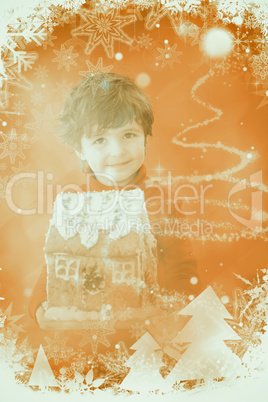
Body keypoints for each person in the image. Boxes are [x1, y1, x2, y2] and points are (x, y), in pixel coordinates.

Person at [28, 72, 201, 337]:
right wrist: (40, 304)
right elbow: (56, 264)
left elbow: (182, 269)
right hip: (89, 335)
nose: (118, 151)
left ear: (145, 136)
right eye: (100, 140)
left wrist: (176, 315)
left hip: (149, 336)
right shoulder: (75, 206)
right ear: (80, 149)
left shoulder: (158, 203)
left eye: (128, 135)